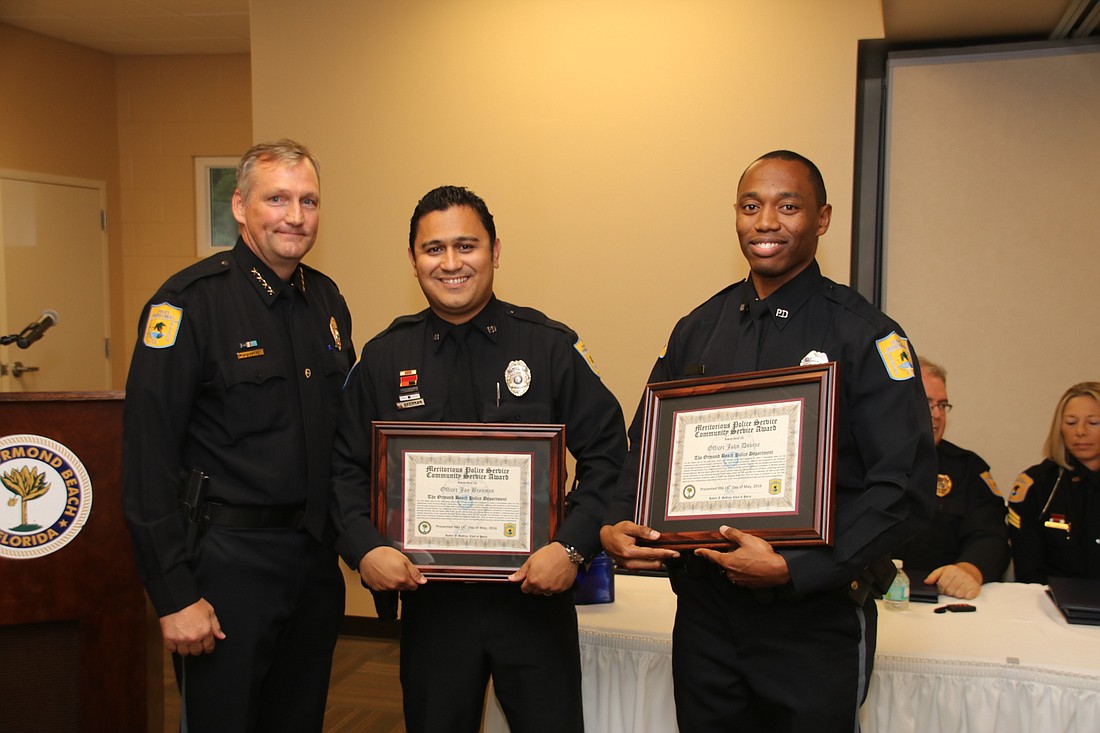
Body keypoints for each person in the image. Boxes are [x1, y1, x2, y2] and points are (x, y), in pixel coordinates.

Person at [601, 150, 937, 732]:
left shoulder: (865, 335)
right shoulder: (696, 329)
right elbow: (647, 449)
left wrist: (797, 565)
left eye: (788, 207)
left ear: (823, 218)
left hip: (812, 620)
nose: (766, 223)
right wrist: (614, 522)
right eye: (751, 206)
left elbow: (901, 487)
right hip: (706, 617)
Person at [330, 185, 626, 733]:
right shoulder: (384, 357)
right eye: (433, 248)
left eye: (466, 246)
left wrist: (572, 547)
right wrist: (364, 548)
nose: (450, 263)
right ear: (413, 259)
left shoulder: (549, 347)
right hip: (432, 606)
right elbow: (344, 469)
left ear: (494, 250)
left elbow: (610, 453)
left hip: (533, 602)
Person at [122, 139, 354, 732]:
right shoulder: (188, 304)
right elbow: (147, 462)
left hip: (312, 562)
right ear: (240, 206)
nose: (295, 216)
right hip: (227, 567)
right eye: (276, 198)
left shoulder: (324, 299)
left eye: (309, 200)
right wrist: (174, 594)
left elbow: (341, 437)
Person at [894, 360, 1009, 598]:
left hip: (941, 599)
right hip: (870, 598)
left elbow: (991, 535)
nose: (937, 415)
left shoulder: (968, 468)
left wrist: (968, 570)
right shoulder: (860, 461)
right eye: (927, 403)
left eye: (943, 405)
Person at [1008, 382, 1100, 583]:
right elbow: (1028, 570)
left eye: (1093, 423)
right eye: (1071, 422)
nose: (1081, 431)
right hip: (1050, 604)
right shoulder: (1037, 485)